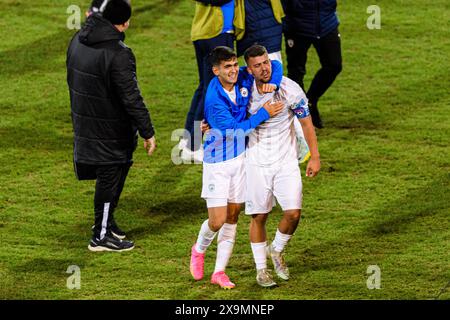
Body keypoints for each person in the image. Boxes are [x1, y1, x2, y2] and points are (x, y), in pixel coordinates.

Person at [189, 46, 284, 289]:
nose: (233, 71)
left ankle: (219, 272)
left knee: (233, 217)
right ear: (215, 71)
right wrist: (263, 113)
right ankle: (199, 249)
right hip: (218, 163)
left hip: (242, 160)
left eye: (234, 65)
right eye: (227, 67)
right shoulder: (214, 101)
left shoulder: (241, 76)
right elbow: (234, 131)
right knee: (217, 220)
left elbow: (276, 65)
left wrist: (270, 83)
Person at [66, 0, 156, 252]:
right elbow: (131, 96)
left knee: (116, 171)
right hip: (110, 128)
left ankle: (108, 223)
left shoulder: (77, 39)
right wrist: (147, 130)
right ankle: (100, 235)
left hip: (86, 119)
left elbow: (70, 76)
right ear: (124, 22)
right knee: (110, 174)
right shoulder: (118, 52)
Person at [243, 45, 320, 287]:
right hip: (256, 162)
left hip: (286, 161)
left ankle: (276, 249)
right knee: (260, 216)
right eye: (257, 65)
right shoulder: (243, 90)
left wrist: (315, 156)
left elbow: (306, 123)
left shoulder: (288, 88)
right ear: (249, 69)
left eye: (266, 62)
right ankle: (261, 270)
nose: (264, 68)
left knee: (293, 213)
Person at [179, 0, 237, 163]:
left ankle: (187, 137)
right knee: (210, 90)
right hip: (216, 34)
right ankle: (193, 145)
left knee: (204, 87)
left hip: (206, 33)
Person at [281, 0, 342, 128]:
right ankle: (303, 116)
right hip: (297, 27)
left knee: (334, 65)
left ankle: (310, 101)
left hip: (327, 23)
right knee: (296, 73)